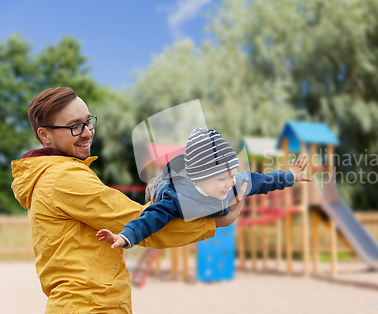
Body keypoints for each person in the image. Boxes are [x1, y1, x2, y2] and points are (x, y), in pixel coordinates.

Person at [10, 87, 243, 314]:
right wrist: (214, 220)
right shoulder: (63, 178)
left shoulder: (51, 175)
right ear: (44, 135)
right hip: (90, 306)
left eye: (88, 122)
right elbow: (142, 223)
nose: (87, 132)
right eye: (74, 126)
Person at [97, 128, 312, 249]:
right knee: (158, 195)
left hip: (198, 192)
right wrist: (127, 236)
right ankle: (162, 177)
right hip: (163, 186)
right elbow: (151, 217)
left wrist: (291, 175)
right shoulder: (176, 198)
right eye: (221, 179)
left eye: (232, 174)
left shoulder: (234, 182)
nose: (229, 183)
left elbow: (263, 181)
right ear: (199, 179)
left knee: (246, 180)